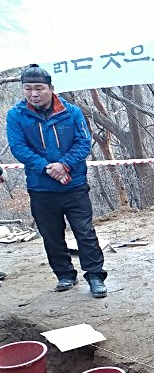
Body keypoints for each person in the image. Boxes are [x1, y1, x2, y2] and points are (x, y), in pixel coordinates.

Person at [6, 64, 108, 298]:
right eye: (28, 88)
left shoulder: (71, 112)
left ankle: (95, 275)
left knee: (85, 232)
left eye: (39, 88)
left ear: (51, 88)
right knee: (51, 234)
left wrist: (64, 165)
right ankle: (64, 275)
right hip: (40, 187)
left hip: (74, 183)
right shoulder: (16, 115)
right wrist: (47, 168)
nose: (34, 93)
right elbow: (18, 147)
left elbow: (83, 142)